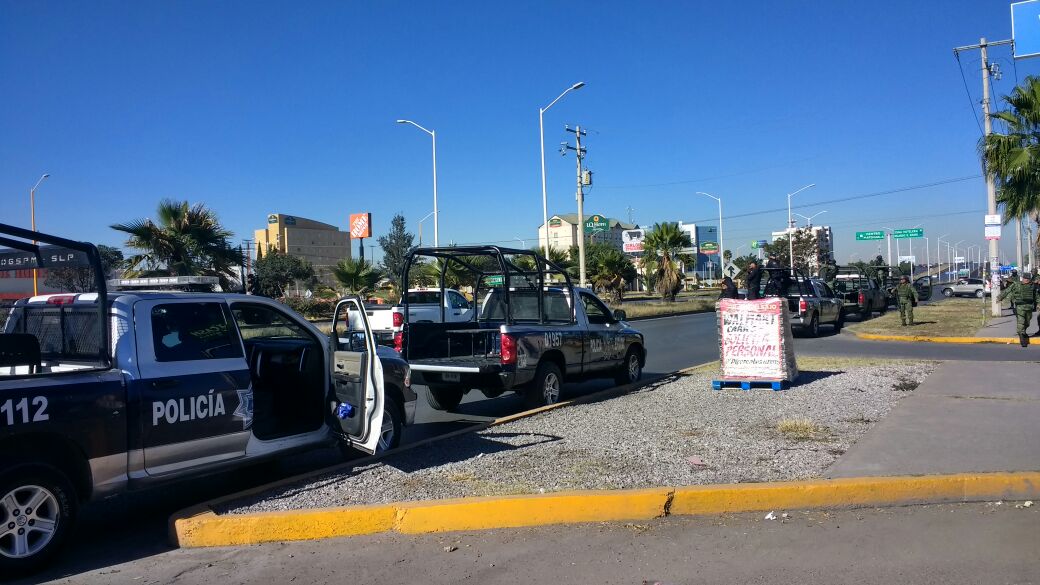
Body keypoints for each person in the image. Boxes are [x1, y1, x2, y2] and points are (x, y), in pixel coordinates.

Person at [997, 272, 1037, 347]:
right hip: (1020, 306)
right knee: (1021, 322)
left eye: (1028, 279)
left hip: (1029, 307)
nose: (1027, 280)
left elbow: (1036, 295)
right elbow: (1007, 290)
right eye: (1025, 279)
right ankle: (1022, 339)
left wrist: (1038, 304)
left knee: (1027, 322)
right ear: (1023, 278)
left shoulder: (1032, 286)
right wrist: (1000, 297)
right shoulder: (1016, 284)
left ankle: (1023, 332)